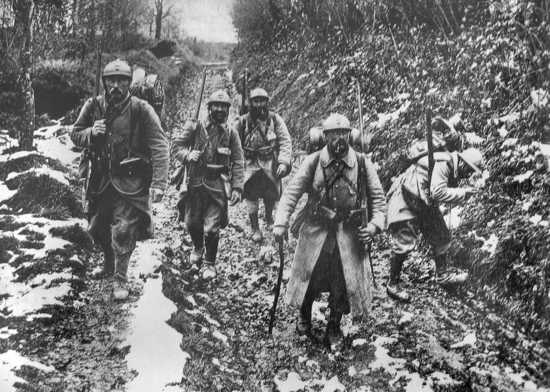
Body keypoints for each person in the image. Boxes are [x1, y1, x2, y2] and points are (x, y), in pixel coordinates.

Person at [273, 113, 386, 345]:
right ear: (325, 137)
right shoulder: (313, 161)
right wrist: (281, 222)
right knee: (310, 276)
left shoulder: (362, 163)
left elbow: (379, 201)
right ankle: (304, 316)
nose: (338, 140)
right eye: (333, 135)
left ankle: (334, 324)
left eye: (342, 134)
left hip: (349, 235)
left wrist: (374, 226)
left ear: (350, 135)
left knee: (343, 282)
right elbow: (291, 193)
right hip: (316, 231)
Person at [71, 59, 169, 300]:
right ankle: (107, 263)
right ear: (105, 83)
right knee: (97, 227)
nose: (116, 86)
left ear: (128, 83)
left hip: (130, 183)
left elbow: (160, 145)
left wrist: (159, 183)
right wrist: (91, 133)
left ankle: (120, 279)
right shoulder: (93, 106)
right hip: (101, 180)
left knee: (123, 229)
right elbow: (75, 133)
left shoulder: (141, 109)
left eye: (121, 81)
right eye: (111, 81)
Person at [385, 147, 484, 302]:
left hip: (424, 201)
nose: (468, 174)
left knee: (441, 236)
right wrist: (463, 193)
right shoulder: (444, 163)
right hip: (407, 197)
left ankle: (443, 274)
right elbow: (438, 192)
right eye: (469, 170)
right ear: (464, 164)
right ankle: (393, 283)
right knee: (404, 243)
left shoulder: (451, 163)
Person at [172, 90, 244, 280]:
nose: (219, 110)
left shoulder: (231, 133)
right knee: (191, 223)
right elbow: (176, 146)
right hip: (194, 183)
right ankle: (197, 247)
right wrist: (188, 155)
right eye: (216, 106)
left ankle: (209, 263)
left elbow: (238, 161)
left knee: (212, 228)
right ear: (209, 108)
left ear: (228, 110)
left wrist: (237, 187)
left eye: (224, 107)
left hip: (217, 185)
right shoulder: (195, 127)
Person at [234, 87, 292, 242]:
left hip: (269, 161)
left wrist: (284, 162)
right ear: (250, 103)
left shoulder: (274, 119)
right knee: (251, 194)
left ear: (267, 102)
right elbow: (233, 143)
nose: (259, 105)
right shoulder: (242, 121)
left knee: (270, 192)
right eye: (255, 101)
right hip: (250, 163)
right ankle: (255, 228)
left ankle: (269, 218)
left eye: (262, 101)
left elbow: (285, 140)